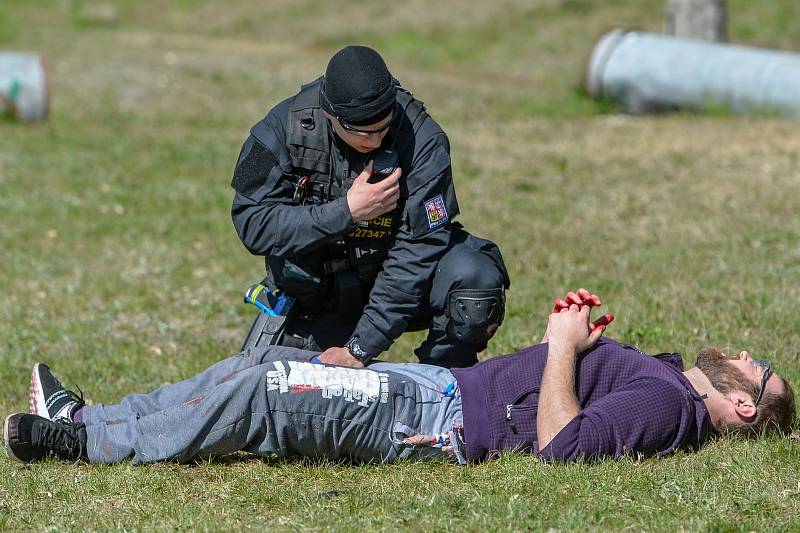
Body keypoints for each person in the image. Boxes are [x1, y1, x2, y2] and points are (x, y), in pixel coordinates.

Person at [5, 289, 795, 465]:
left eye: (761, 372)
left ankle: (77, 445)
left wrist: (560, 345)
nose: (752, 354)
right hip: (437, 387)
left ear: (742, 404)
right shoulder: (664, 378)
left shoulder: (666, 405)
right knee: (261, 365)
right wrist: (577, 341)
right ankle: (91, 417)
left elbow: (564, 448)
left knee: (261, 395)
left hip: (433, 421)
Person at [230, 44, 509, 369]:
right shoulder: (281, 130)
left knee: (474, 283)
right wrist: (347, 212)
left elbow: (418, 251)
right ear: (329, 114)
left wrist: (362, 347)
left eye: (384, 127)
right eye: (363, 132)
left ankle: (442, 391)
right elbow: (253, 224)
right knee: (285, 398)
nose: (376, 141)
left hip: (396, 280)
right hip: (319, 294)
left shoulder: (423, 139)